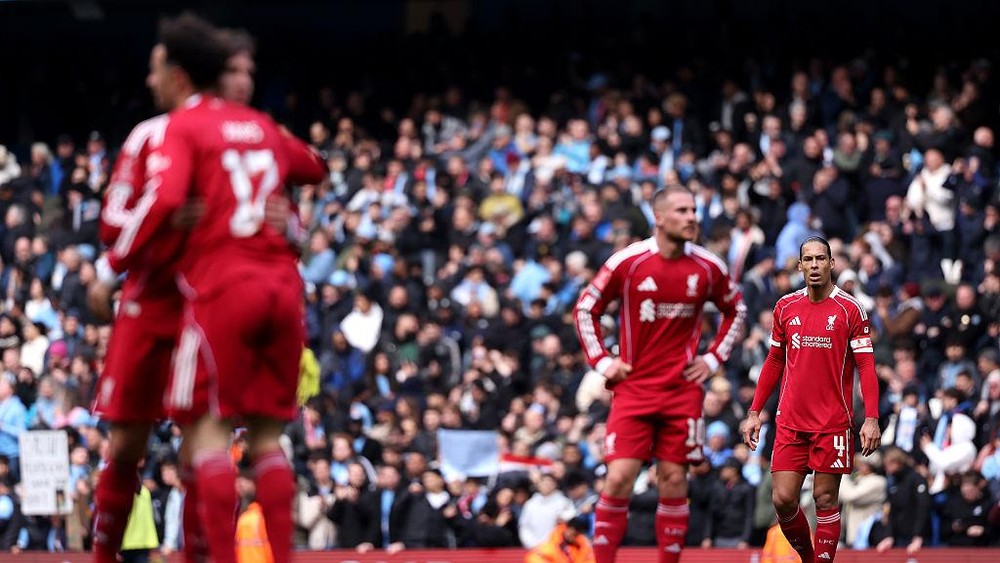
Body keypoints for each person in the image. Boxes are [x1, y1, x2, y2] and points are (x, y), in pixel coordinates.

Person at [88, 22, 319, 563]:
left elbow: (291, 226)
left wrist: (284, 227)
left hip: (213, 300)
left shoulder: (248, 133)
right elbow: (114, 216)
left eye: (245, 73)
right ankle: (102, 556)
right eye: (233, 71)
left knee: (205, 441)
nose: (240, 82)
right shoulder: (149, 135)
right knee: (128, 444)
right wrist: (152, 236)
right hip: (156, 302)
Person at [573, 184, 745, 563]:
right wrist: (603, 362)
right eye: (682, 211)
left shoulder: (707, 266)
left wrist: (713, 358)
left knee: (673, 480)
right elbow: (586, 308)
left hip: (682, 390)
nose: (691, 218)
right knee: (618, 478)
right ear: (659, 217)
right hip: (633, 388)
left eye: (694, 210)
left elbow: (737, 309)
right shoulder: (628, 262)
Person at [742, 236, 881, 563]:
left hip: (832, 422)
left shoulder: (850, 309)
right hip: (790, 420)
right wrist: (753, 412)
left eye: (821, 259)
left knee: (824, 499)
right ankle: (809, 558)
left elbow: (866, 366)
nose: (815, 265)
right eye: (808, 259)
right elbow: (774, 361)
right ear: (800, 265)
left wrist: (871, 418)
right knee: (783, 500)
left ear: (831, 264)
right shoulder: (785, 307)